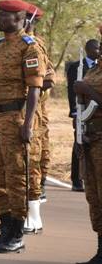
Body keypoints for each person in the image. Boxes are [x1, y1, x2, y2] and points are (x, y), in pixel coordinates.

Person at [0, 0, 45, 254]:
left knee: (16, 176)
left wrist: (28, 124)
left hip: (15, 116)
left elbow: (35, 88)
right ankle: (4, 228)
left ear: (19, 19)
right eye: (0, 14)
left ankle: (17, 233)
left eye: (5, 15)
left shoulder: (30, 46)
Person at [24, 3, 55, 234]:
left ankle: (34, 215)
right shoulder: (12, 44)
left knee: (33, 160)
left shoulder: (35, 45)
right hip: (14, 111)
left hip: (34, 112)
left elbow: (48, 79)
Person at [73, 28, 102, 264]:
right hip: (90, 140)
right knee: (94, 197)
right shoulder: (94, 68)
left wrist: (87, 90)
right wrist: (80, 138)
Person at [67, 39, 100, 192]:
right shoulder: (76, 67)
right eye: (96, 48)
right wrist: (75, 113)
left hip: (96, 114)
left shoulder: (98, 68)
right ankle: (77, 180)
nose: (98, 51)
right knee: (79, 145)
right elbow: (71, 91)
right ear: (88, 50)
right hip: (81, 112)